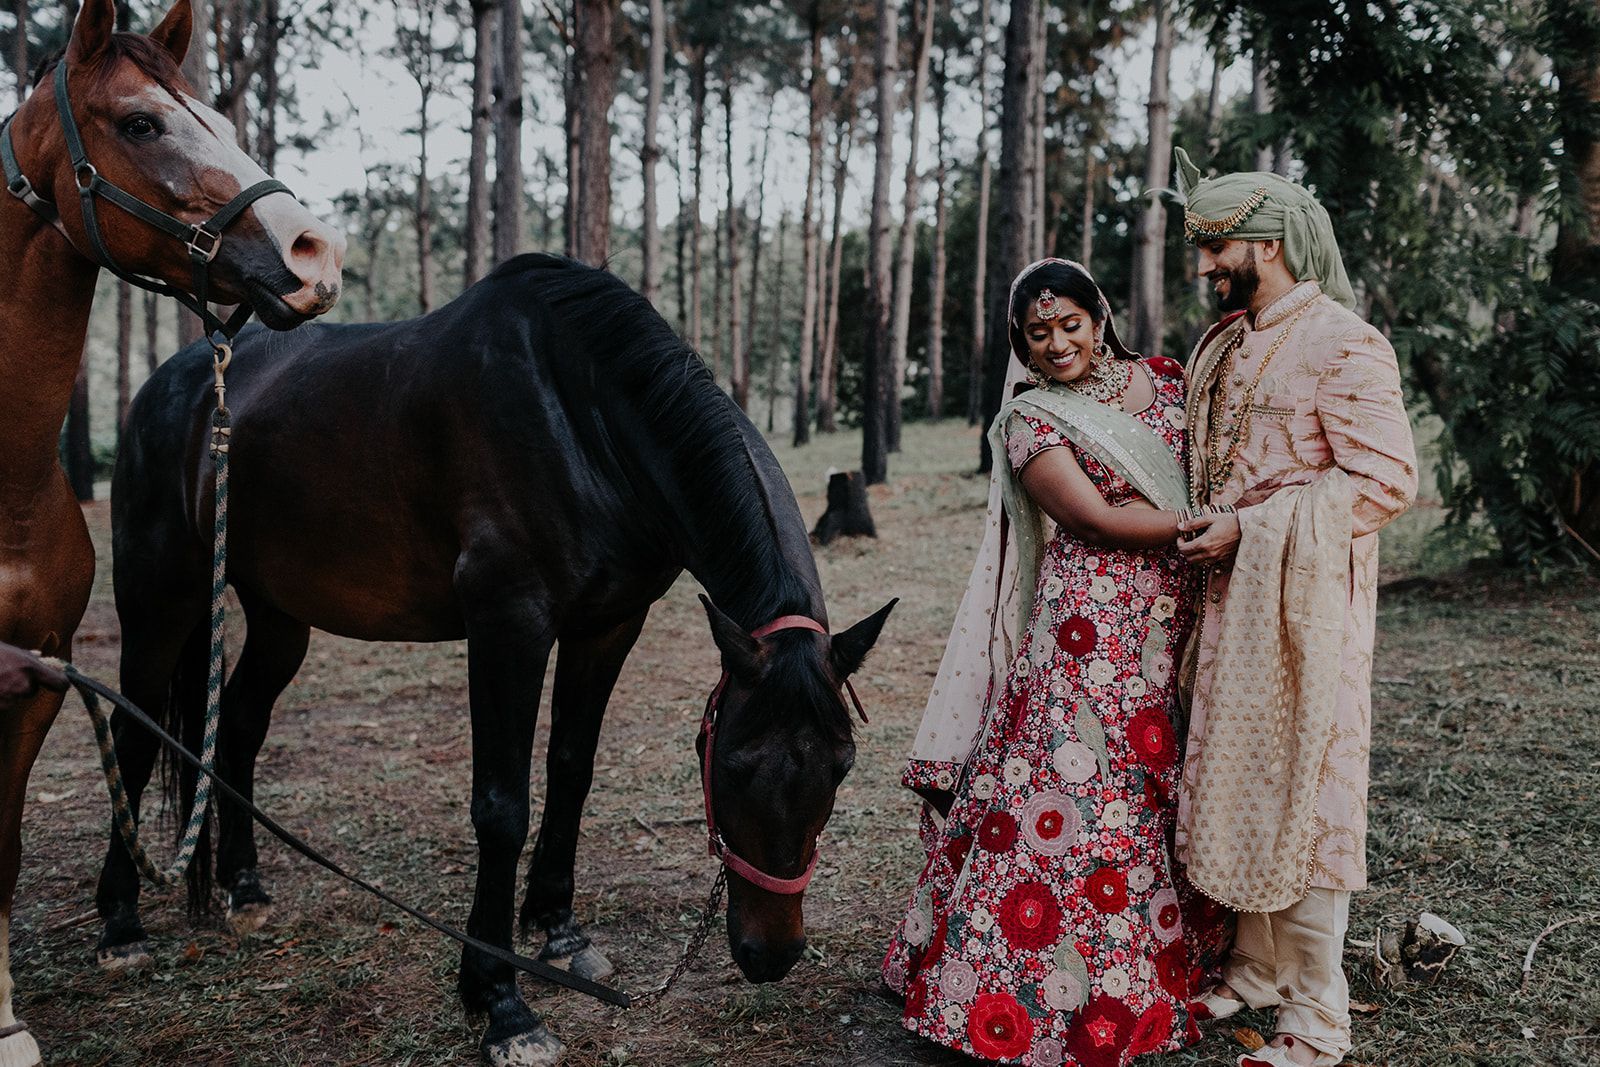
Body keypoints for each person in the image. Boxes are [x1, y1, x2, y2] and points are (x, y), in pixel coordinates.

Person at [884, 258, 1226, 1066]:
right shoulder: (1032, 421)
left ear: (1099, 316)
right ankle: (1037, 991)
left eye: (1070, 322)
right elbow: (1097, 519)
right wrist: (1218, 522)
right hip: (1087, 637)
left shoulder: (1170, 381)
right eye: (1039, 333)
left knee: (1156, 783)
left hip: (1174, 621)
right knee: (1082, 792)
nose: (1059, 341)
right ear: (1022, 347)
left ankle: (1177, 960)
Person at [1169, 148, 1419, 1067]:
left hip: (1305, 605)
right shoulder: (1226, 340)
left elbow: (1387, 478)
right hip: (1229, 599)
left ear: (1268, 242)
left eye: (1216, 247)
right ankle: (1258, 967)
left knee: (1309, 791)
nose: (1204, 268)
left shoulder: (1344, 340)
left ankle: (1318, 1017)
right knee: (1242, 774)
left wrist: (1251, 527)